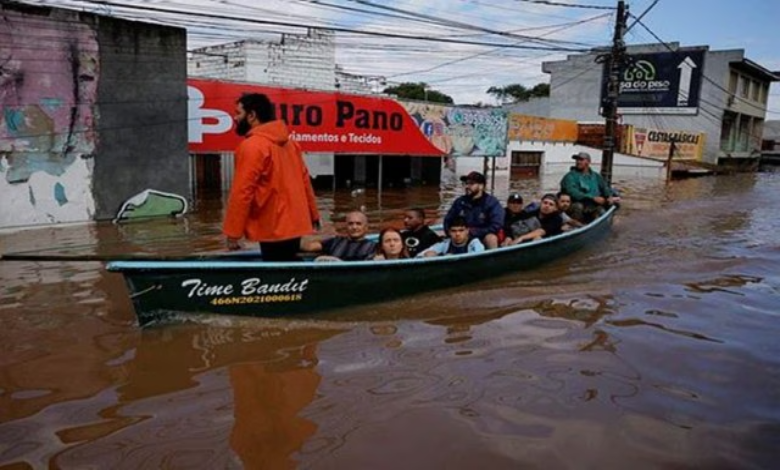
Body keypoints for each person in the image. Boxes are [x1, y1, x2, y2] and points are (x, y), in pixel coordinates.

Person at [223, 93, 320, 261]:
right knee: (288, 267)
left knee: (277, 275)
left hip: (272, 226)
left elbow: (242, 192)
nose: (235, 118)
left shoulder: (252, 146)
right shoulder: (291, 144)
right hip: (295, 224)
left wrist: (233, 232)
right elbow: (305, 183)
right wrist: (314, 215)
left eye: (238, 113)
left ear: (252, 115)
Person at [443, 171, 504, 249]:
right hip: (461, 235)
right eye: (466, 183)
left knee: (491, 238)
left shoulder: (492, 203)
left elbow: (496, 225)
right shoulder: (460, 202)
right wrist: (451, 233)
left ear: (481, 186)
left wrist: (473, 232)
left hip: (482, 236)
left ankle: (493, 260)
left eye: (471, 184)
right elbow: (448, 220)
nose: (467, 186)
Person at [560, 151, 620, 223]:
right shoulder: (570, 176)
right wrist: (592, 198)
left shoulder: (596, 176)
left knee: (603, 210)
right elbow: (572, 192)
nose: (578, 162)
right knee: (578, 207)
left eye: (581, 160)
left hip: (593, 206)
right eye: (577, 160)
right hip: (575, 204)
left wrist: (609, 197)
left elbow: (604, 188)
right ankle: (575, 226)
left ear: (588, 162)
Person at [301, 211, 376, 261]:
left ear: (366, 227)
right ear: (346, 226)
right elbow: (306, 246)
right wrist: (323, 235)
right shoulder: (335, 241)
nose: (354, 227)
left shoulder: (373, 247)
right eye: (350, 224)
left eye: (358, 224)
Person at [420, 217, 485, 257]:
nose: (457, 234)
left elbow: (479, 257)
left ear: (467, 231)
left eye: (461, 230)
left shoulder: (474, 243)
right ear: (449, 232)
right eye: (454, 231)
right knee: (430, 254)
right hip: (447, 270)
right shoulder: (445, 243)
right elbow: (422, 254)